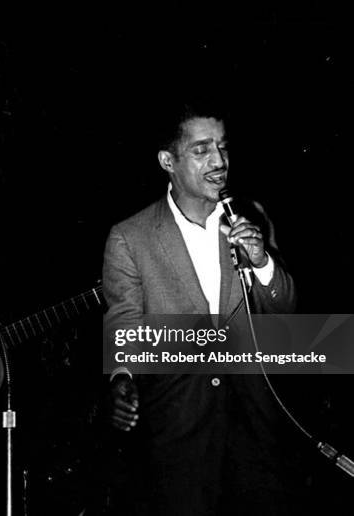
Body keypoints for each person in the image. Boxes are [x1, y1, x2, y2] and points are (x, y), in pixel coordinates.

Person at [103, 101, 301, 515]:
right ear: (167, 161)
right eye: (201, 150)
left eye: (223, 148)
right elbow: (125, 325)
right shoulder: (129, 237)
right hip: (177, 434)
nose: (219, 161)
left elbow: (285, 312)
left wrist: (262, 262)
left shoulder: (251, 216)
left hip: (256, 430)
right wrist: (121, 380)